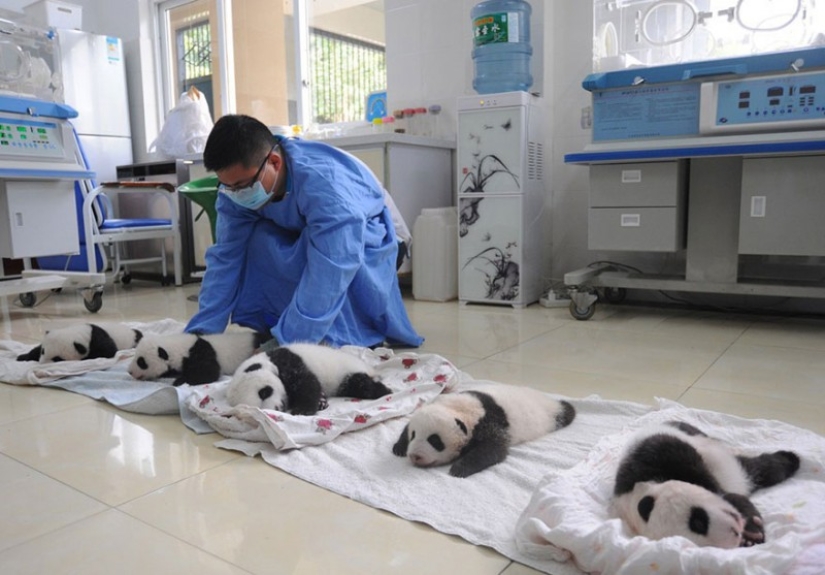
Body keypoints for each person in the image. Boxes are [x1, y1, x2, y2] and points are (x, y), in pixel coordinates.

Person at [185, 114, 423, 348]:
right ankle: (284, 324)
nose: (237, 194)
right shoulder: (234, 192)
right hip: (315, 235)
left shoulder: (325, 185)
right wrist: (201, 334)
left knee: (319, 252)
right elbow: (226, 257)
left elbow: (333, 265)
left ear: (275, 162)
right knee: (256, 241)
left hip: (377, 236)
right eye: (228, 186)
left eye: (242, 185)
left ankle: (341, 334)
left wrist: (291, 343)